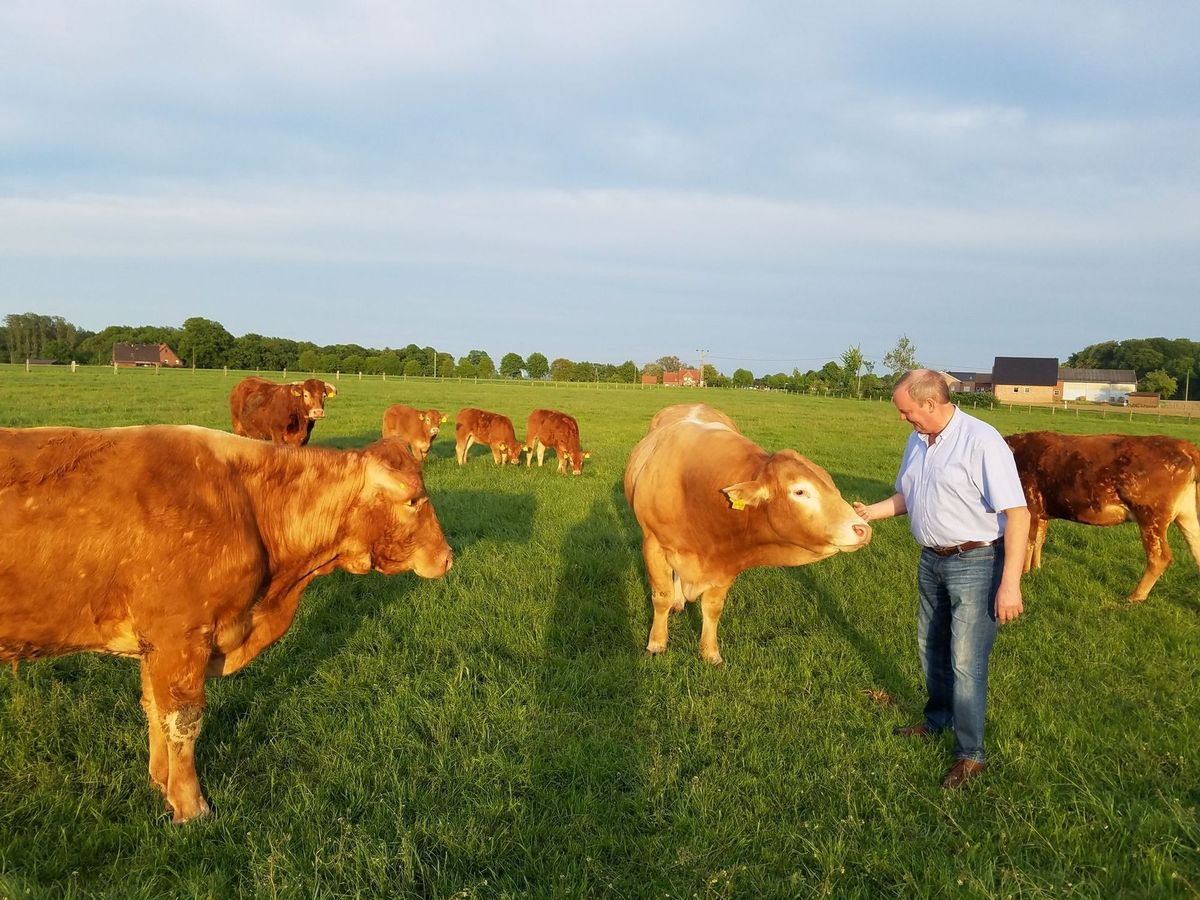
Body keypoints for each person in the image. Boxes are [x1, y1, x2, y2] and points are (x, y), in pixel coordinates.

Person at [854, 369, 1030, 789]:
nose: (903, 419)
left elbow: (1017, 515)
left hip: (977, 562)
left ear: (930, 404)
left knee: (966, 661)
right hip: (930, 561)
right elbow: (907, 496)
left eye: (906, 411)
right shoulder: (918, 440)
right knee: (930, 647)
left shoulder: (983, 442)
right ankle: (937, 720)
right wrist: (866, 513)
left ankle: (970, 754)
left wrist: (1010, 584)